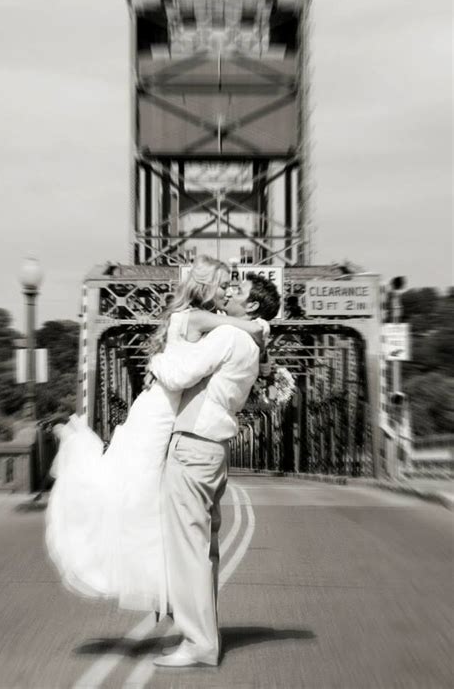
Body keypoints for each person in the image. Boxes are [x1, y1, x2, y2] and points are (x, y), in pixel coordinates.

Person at [45, 256, 269, 618]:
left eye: (232, 286)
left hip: (158, 406)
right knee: (142, 494)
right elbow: (246, 329)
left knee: (148, 497)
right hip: (162, 411)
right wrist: (260, 325)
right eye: (225, 284)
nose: (228, 290)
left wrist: (158, 366)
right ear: (207, 285)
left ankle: (162, 588)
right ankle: (162, 587)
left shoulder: (191, 318)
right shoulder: (198, 318)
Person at [149, 273, 281, 667]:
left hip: (192, 444)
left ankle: (199, 643)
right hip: (211, 447)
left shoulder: (228, 337)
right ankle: (202, 633)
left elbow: (177, 373)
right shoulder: (249, 344)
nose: (229, 294)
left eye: (238, 292)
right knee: (203, 550)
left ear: (253, 306)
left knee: (188, 549)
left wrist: (155, 357)